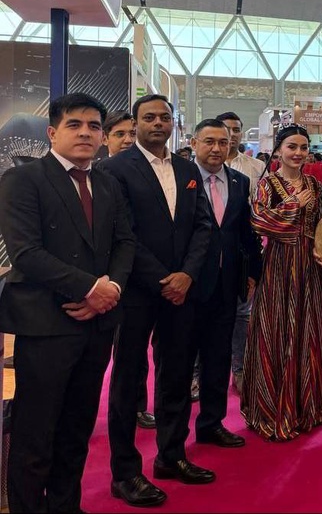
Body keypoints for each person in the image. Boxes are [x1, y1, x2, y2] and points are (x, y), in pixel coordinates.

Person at [0, 94, 135, 513]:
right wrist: (91, 289)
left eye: (94, 126)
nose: (86, 133)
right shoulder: (23, 180)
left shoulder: (108, 184)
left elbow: (125, 243)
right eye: (74, 125)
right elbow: (26, 253)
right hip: (46, 324)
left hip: (97, 325)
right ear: (52, 132)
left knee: (77, 430)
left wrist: (110, 290)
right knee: (34, 434)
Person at [101, 94, 215, 507]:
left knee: (177, 374)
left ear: (173, 124)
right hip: (136, 290)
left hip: (182, 291)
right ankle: (125, 473)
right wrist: (163, 278)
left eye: (164, 117)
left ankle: (171, 455)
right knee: (128, 381)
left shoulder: (187, 168)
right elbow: (122, 233)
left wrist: (187, 274)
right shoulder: (115, 169)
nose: (157, 123)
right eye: (149, 117)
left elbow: (203, 225)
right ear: (136, 124)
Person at [242, 124, 322, 441]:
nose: (298, 153)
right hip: (278, 265)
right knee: (275, 329)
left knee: (307, 331)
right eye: (292, 147)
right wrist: (294, 206)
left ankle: (307, 407)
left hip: (309, 266)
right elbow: (258, 221)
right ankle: (272, 408)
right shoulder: (267, 184)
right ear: (279, 150)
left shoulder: (316, 185)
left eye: (303, 147)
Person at [189, 120, 262, 448]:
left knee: (218, 357)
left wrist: (253, 272)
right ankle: (174, 435)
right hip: (187, 285)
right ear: (194, 143)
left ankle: (212, 422)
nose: (217, 148)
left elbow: (246, 232)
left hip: (227, 284)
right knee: (180, 359)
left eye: (223, 141)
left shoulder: (239, 181)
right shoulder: (180, 178)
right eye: (209, 141)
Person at [102, 109, 156, 429]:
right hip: (102, 278)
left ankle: (135, 407)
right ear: (105, 138)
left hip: (138, 276)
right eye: (119, 134)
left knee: (134, 351)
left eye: (131, 134)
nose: (126, 140)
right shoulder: (98, 173)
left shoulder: (143, 174)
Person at [215, 111, 266, 396]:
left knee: (242, 314)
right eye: (226, 129)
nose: (231, 135)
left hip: (242, 250)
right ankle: (198, 372)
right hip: (208, 254)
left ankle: (240, 368)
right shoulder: (195, 168)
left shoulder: (256, 168)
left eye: (236, 130)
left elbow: (258, 212)